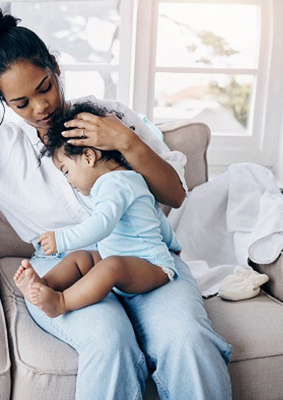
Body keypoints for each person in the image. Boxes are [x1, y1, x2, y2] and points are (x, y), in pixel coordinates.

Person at [0, 5, 232, 399]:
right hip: (65, 265)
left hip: (143, 254)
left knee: (188, 340)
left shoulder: (109, 118)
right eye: (20, 102)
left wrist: (126, 141)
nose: (40, 108)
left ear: (55, 68)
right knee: (109, 342)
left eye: (44, 87)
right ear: (4, 100)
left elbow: (175, 194)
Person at [14, 101, 182, 319]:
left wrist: (61, 240)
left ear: (88, 157)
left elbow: (102, 225)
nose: (69, 181)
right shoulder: (128, 180)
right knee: (81, 258)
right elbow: (157, 217)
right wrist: (173, 244)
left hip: (152, 267)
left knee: (111, 266)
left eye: (66, 171)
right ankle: (44, 285)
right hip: (127, 262)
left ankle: (61, 302)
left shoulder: (116, 183)